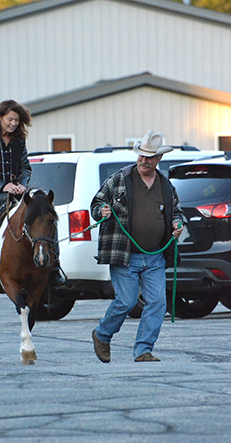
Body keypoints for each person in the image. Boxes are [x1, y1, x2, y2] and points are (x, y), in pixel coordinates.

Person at [90, 130, 184, 363]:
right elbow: (97, 202)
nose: (144, 160)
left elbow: (177, 211)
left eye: (150, 157)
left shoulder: (165, 185)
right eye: (141, 155)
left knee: (158, 303)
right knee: (127, 301)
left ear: (158, 159)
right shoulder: (119, 178)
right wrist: (101, 211)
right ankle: (102, 334)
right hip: (125, 255)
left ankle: (143, 350)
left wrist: (177, 222)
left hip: (155, 257)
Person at [0, 99, 65, 291]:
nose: (13, 124)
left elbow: (26, 168)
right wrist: (3, 186)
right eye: (10, 119)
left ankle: (55, 268)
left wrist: (21, 184)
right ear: (0, 117)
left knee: (46, 217)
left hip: (14, 193)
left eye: (17, 120)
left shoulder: (19, 141)